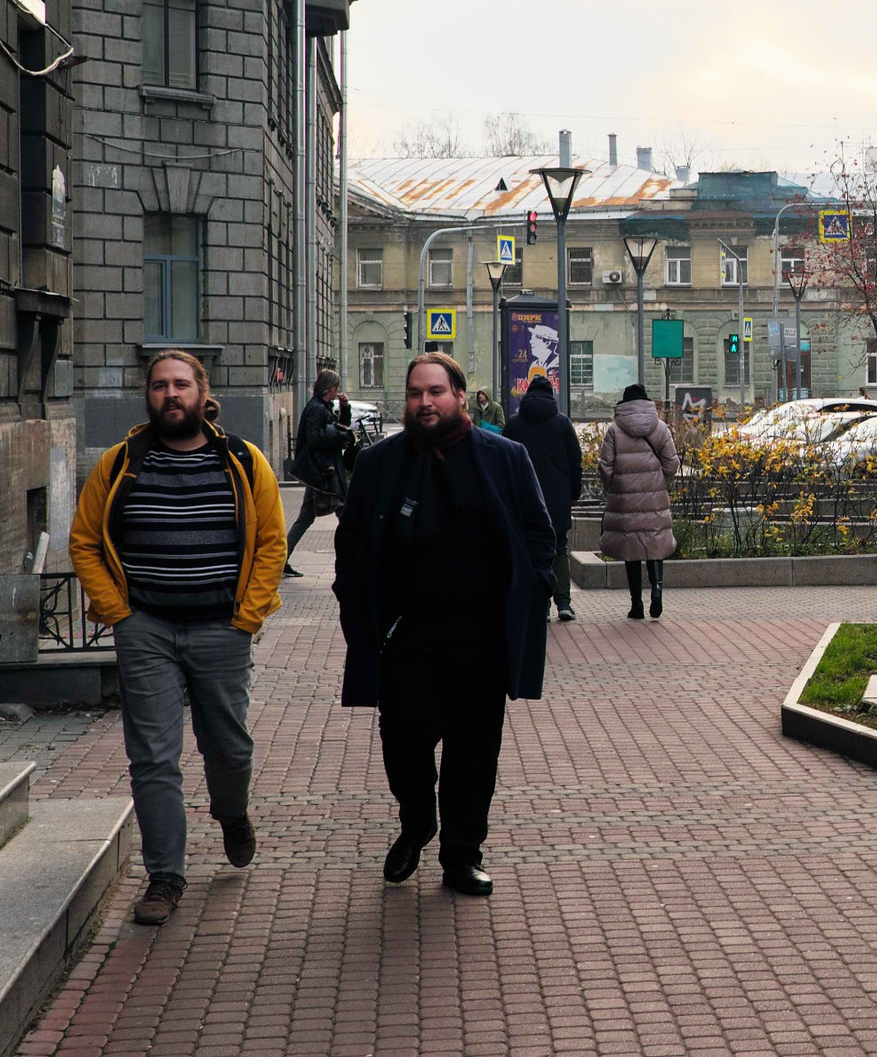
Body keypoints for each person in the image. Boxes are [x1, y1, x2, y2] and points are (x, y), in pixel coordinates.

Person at [70, 351, 285, 927]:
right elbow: (85, 540)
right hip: (147, 630)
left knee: (230, 748)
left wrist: (248, 616)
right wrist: (118, 613)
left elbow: (271, 543)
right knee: (153, 758)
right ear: (149, 395)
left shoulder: (242, 460)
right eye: (161, 385)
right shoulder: (120, 465)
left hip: (222, 628)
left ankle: (231, 813)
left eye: (181, 384)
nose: (171, 394)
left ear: (202, 392)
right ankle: (165, 875)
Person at [334, 352, 554, 897]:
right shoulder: (381, 463)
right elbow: (352, 543)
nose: (425, 402)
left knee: (474, 749)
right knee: (403, 740)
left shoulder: (504, 457)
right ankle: (417, 823)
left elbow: (538, 533)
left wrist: (534, 589)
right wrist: (357, 602)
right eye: (415, 393)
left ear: (459, 395)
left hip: (482, 633)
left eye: (435, 392)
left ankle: (461, 853)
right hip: (406, 633)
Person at [501, 374, 584, 624]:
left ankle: (540, 604)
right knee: (559, 550)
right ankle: (564, 604)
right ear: (551, 396)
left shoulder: (514, 425)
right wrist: (574, 493)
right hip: (557, 500)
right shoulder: (563, 424)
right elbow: (575, 462)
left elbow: (502, 463)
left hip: (524, 501)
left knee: (529, 552)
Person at [598, 384, 680, 621]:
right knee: (655, 543)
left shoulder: (614, 430)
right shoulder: (661, 428)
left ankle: (636, 605)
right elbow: (672, 463)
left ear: (624, 405)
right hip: (655, 496)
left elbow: (605, 466)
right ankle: (657, 590)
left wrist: (611, 485)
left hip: (625, 499)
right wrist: (661, 482)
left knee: (630, 548)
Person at [283, 370, 352, 574]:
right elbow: (314, 438)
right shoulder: (316, 408)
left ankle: (280, 561)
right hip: (322, 472)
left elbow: (342, 425)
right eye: (336, 387)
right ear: (328, 388)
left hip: (322, 472)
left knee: (307, 517)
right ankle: (355, 558)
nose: (337, 391)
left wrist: (345, 408)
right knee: (344, 514)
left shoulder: (323, 406)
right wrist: (336, 434)